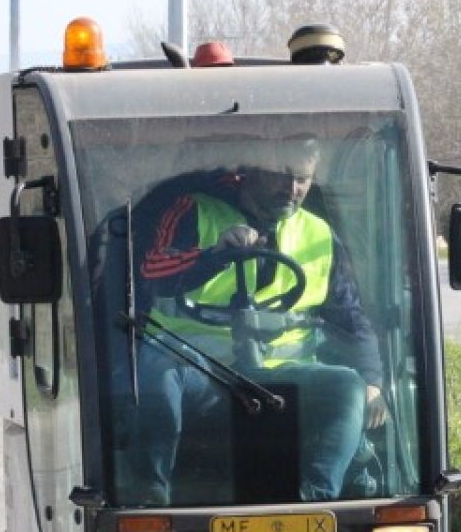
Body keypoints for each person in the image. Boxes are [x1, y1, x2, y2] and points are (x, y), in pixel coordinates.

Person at [133, 136, 387, 505]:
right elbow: (153, 270)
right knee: (157, 377)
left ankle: (312, 503)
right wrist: (212, 255)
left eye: (302, 178)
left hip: (280, 376)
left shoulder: (318, 235)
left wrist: (373, 382)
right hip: (196, 369)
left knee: (346, 386)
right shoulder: (193, 210)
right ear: (249, 171)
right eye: (281, 174)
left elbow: (349, 316)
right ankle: (150, 498)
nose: (292, 188)